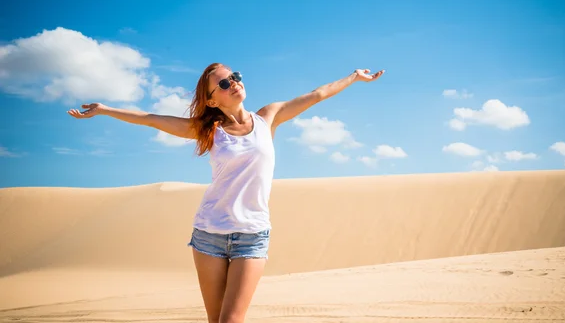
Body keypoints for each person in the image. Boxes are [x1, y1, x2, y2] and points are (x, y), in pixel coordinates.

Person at [67, 62, 384, 323]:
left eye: (235, 77)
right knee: (216, 321)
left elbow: (317, 95)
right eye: (223, 84)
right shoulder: (207, 130)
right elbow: (152, 119)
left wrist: (354, 77)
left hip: (252, 234)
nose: (233, 83)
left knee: (231, 321)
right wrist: (105, 109)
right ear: (211, 101)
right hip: (209, 234)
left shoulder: (268, 117)